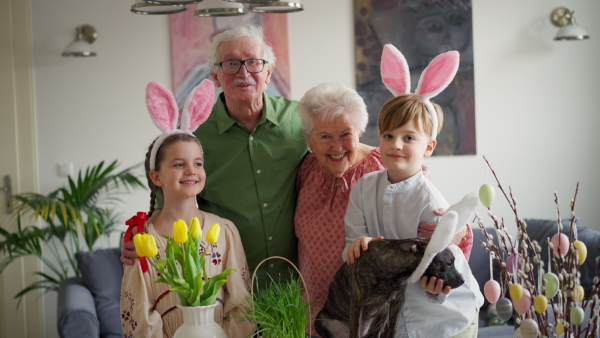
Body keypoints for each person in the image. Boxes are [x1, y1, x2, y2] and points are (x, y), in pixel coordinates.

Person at [121, 24, 308, 285]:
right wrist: (140, 236)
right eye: (231, 63)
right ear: (215, 75)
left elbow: (343, 149)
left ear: (269, 72)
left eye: (254, 62)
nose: (243, 72)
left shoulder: (302, 119)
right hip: (225, 281)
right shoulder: (194, 133)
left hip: (299, 282)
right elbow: (169, 203)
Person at [294, 82, 472, 337]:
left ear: (359, 133)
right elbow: (351, 241)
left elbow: (442, 238)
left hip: (384, 321)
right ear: (309, 139)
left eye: (345, 134)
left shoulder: (387, 164)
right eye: (324, 136)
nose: (336, 146)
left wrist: (459, 230)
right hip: (321, 318)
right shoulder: (307, 170)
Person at [120, 81, 254, 337]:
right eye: (179, 164)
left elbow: (240, 303)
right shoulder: (141, 238)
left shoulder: (224, 230)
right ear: (156, 177)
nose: (191, 171)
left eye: (198, 163)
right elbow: (139, 312)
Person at [344, 93, 483, 337]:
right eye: (389, 136)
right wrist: (359, 248)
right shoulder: (364, 188)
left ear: (428, 147)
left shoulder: (432, 203)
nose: (396, 144)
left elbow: (447, 268)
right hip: (399, 322)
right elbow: (350, 247)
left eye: (408, 137)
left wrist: (436, 289)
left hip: (447, 322)